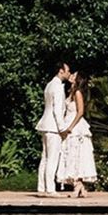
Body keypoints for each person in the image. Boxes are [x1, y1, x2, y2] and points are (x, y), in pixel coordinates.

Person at [57, 70, 97, 198]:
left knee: (76, 154)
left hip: (76, 126)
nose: (71, 76)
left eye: (74, 75)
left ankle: (77, 185)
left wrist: (71, 127)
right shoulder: (70, 92)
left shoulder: (78, 93)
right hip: (69, 121)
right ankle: (80, 187)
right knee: (71, 154)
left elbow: (80, 111)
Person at [36, 60, 71, 195]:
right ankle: (50, 189)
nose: (69, 73)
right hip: (53, 127)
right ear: (61, 71)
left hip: (45, 125)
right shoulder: (57, 86)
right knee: (52, 157)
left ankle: (41, 187)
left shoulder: (49, 85)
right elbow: (57, 110)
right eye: (67, 71)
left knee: (45, 157)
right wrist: (62, 128)